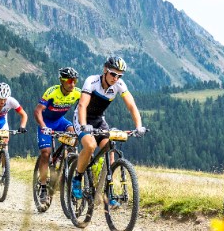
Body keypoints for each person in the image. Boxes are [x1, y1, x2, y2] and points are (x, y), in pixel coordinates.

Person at [71, 55, 147, 200]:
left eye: (119, 75)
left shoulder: (119, 85)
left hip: (99, 120)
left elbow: (131, 106)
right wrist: (83, 125)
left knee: (109, 148)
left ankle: (107, 189)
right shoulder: (92, 81)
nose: (115, 78)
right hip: (82, 118)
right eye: (113, 74)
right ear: (105, 70)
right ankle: (77, 178)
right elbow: (82, 105)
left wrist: (139, 127)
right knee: (90, 146)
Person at [33, 66, 81, 203]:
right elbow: (37, 111)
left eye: (75, 81)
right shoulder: (52, 92)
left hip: (60, 121)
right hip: (46, 122)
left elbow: (84, 108)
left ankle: (64, 160)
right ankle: (43, 187)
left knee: (74, 137)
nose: (72, 84)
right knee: (45, 152)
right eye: (70, 81)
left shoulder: (77, 93)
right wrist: (43, 127)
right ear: (62, 81)